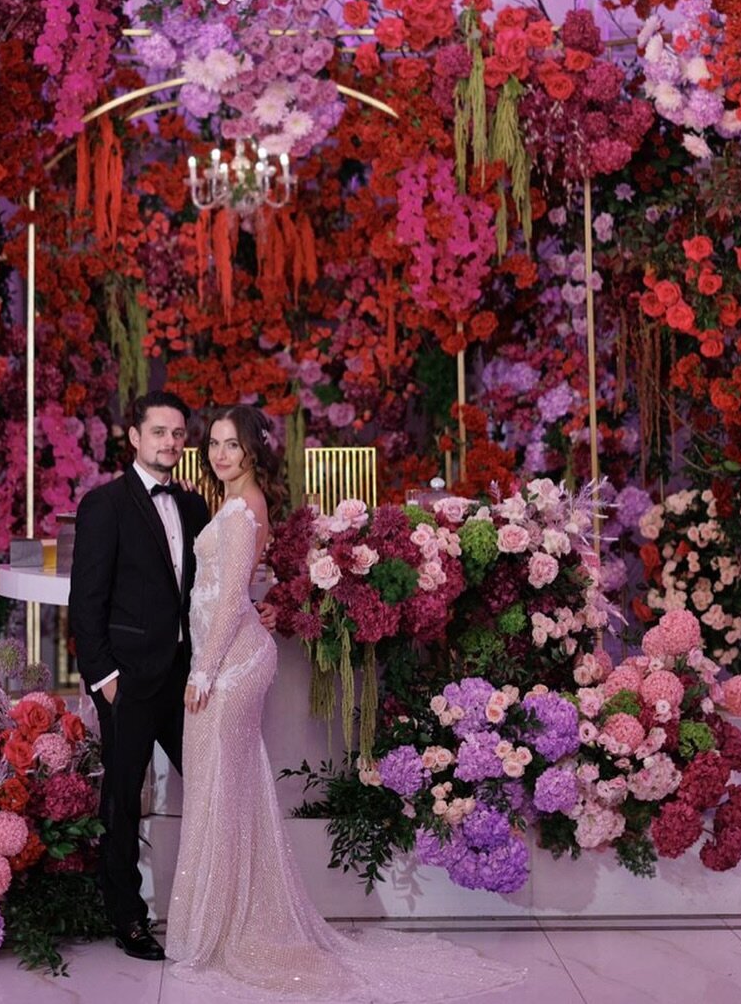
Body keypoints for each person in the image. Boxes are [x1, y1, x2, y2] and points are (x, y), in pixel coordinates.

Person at [165, 404, 525, 1001]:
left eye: (232, 445)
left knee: (215, 791)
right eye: (214, 444)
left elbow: (229, 600)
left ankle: (216, 928)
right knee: (226, 789)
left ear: (254, 452)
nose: (220, 454)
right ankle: (220, 921)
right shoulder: (241, 507)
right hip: (233, 658)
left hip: (228, 666)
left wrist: (203, 671)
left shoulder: (237, 513)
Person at [68, 389, 209, 962]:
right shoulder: (105, 504)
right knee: (123, 799)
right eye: (159, 432)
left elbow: (203, 593)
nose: (170, 443)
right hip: (125, 679)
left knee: (209, 785)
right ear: (134, 436)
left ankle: (211, 906)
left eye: (178, 434)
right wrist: (103, 678)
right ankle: (126, 915)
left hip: (182, 677)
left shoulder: (195, 506)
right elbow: (87, 600)